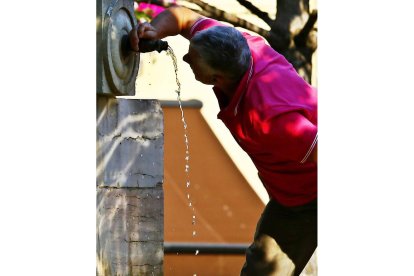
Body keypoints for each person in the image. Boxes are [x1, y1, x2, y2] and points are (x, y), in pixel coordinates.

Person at [130, 6, 317, 276]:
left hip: (308, 197)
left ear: (215, 79)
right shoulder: (231, 43)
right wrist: (154, 29)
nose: (184, 57)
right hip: (288, 194)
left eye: (192, 60)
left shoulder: (269, 116)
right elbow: (181, 16)